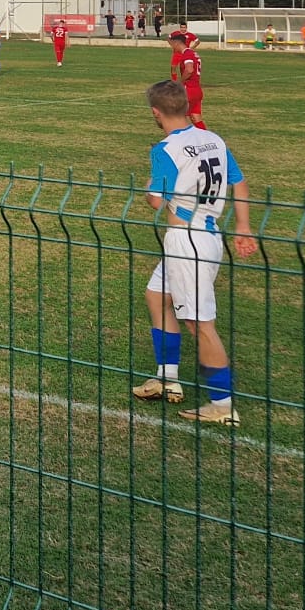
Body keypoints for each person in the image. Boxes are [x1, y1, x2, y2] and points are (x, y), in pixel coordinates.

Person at [132, 79, 256, 424]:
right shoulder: (212, 138)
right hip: (205, 234)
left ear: (156, 113)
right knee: (157, 297)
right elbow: (239, 181)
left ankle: (222, 404)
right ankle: (167, 376)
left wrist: (147, 187)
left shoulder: (165, 150)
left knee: (200, 323)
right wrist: (243, 226)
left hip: (187, 240)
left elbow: (156, 200)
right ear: (186, 106)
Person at [169, 32, 205, 127]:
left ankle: (175, 141)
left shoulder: (187, 54)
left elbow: (189, 70)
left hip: (188, 90)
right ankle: (205, 139)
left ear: (177, 43)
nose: (172, 47)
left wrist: (180, 82)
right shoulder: (194, 53)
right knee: (195, 117)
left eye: (172, 45)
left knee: (176, 116)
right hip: (197, 89)